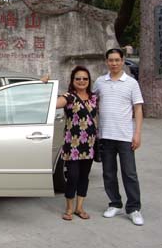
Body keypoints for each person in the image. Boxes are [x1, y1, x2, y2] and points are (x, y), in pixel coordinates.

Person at [93, 48, 145, 226]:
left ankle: (134, 208)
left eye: (117, 60)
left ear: (123, 61)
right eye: (111, 60)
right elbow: (92, 102)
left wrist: (137, 133)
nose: (114, 63)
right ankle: (114, 203)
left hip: (125, 136)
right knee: (108, 173)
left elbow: (138, 109)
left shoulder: (131, 83)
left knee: (129, 173)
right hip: (105, 135)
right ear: (106, 62)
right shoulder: (100, 82)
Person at [53, 66, 98, 221]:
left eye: (85, 78)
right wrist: (44, 85)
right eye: (78, 78)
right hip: (72, 144)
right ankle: (69, 208)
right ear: (73, 80)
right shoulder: (69, 97)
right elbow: (54, 103)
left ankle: (79, 208)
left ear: (89, 81)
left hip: (89, 144)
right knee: (72, 176)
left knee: (84, 176)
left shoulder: (93, 97)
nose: (81, 81)